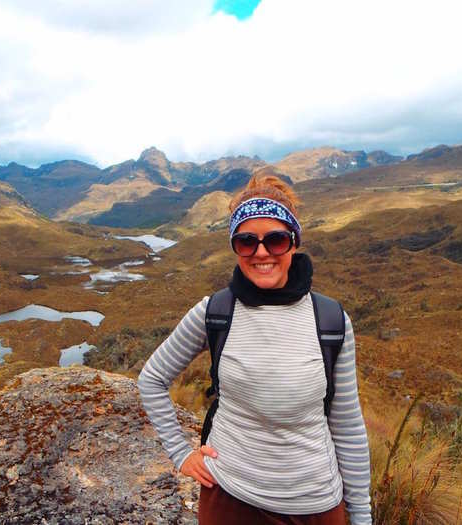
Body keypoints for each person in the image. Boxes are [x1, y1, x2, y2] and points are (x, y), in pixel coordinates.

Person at [137, 174, 372, 524]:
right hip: (229, 499)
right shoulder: (214, 313)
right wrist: (181, 453)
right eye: (247, 242)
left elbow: (347, 425)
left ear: (294, 243)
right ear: (235, 247)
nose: (262, 253)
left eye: (276, 240)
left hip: (315, 505)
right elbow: (152, 379)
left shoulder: (332, 321)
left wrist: (362, 516)